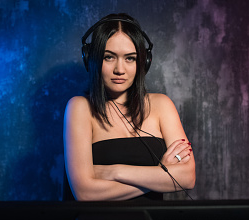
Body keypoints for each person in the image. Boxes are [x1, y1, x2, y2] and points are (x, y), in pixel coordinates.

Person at [63, 13, 195, 201]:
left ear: (144, 62)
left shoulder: (162, 106)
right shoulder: (79, 108)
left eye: (130, 58)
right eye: (109, 57)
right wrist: (159, 175)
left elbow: (187, 178)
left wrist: (114, 172)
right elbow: (85, 193)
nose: (120, 69)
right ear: (92, 59)